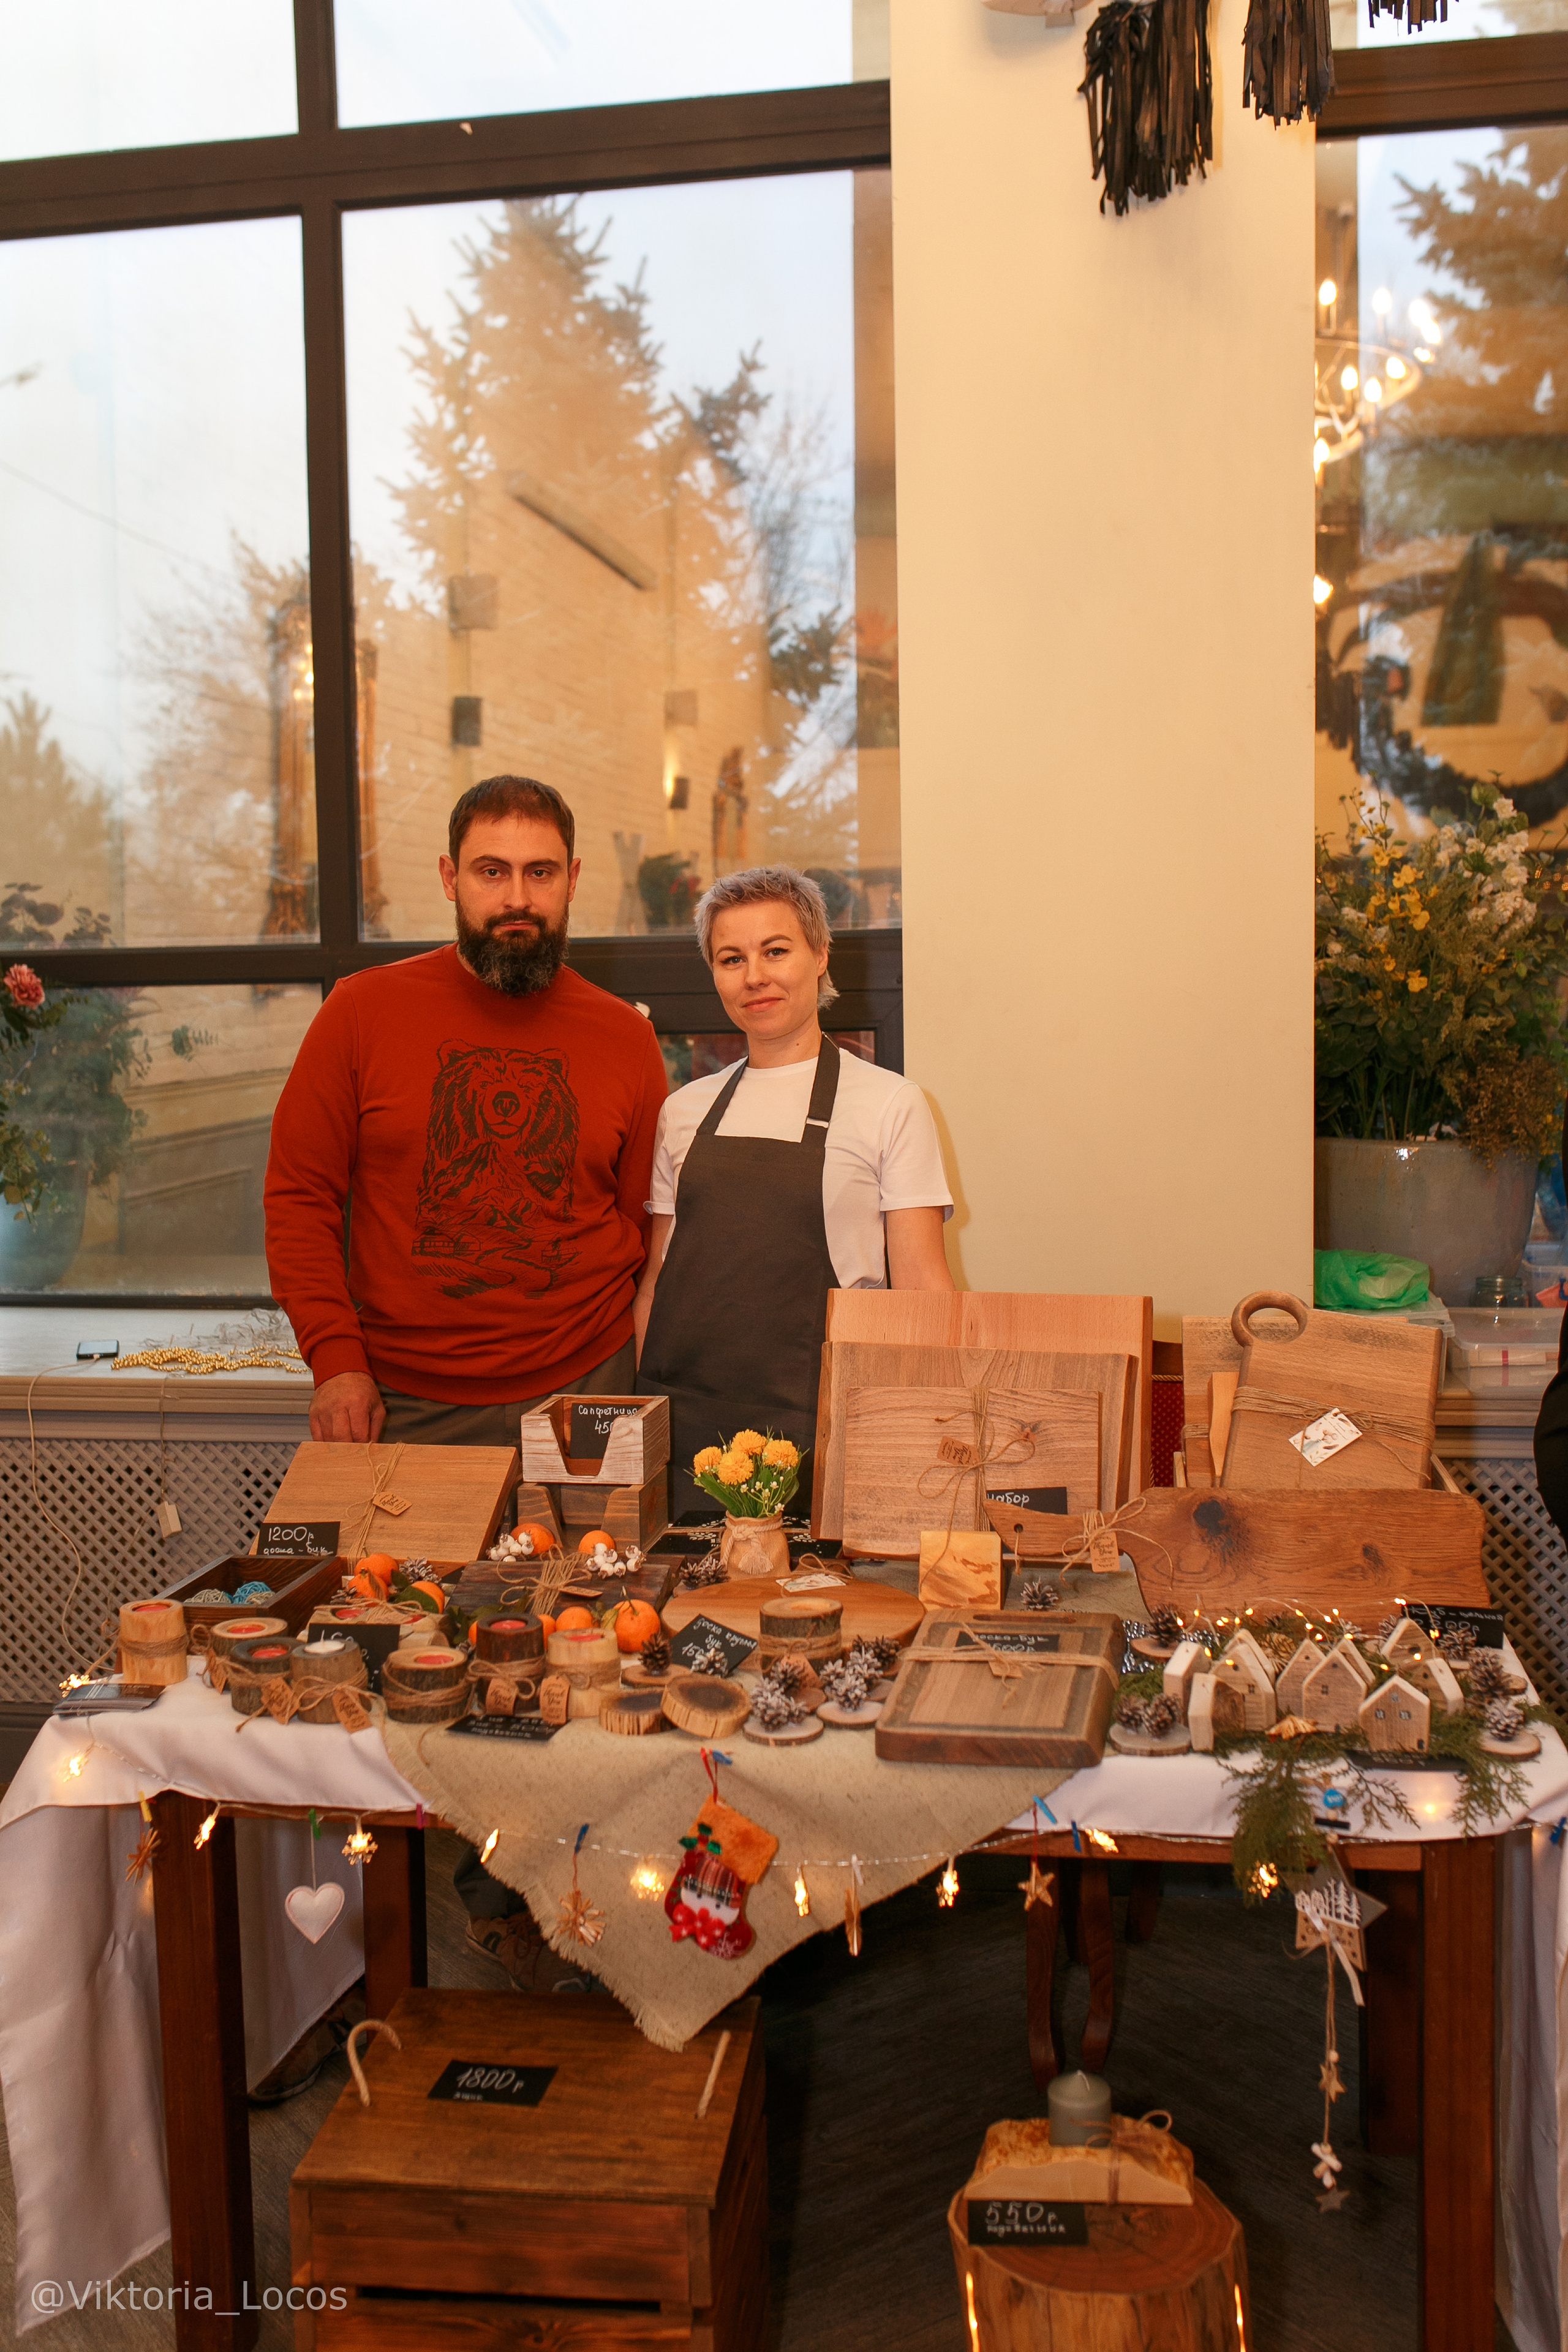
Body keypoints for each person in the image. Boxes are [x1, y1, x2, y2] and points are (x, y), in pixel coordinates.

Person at [265, 773, 667, 1988]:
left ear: (572, 883)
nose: (515, 898)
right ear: (449, 878)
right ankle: (392, 1931)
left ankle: (547, 1897)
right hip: (409, 1408)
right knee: (405, 1661)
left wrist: (626, 1378)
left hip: (580, 1398)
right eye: (492, 872)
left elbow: (642, 1226)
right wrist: (335, 1357)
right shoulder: (361, 1013)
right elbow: (299, 1196)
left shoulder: (623, 1036)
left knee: (580, 1658)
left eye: (539, 873)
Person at [633, 865, 954, 1515]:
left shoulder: (891, 1104)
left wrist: (928, 1431)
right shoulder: (684, 1111)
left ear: (820, 956)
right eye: (732, 958)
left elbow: (923, 1287)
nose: (754, 975)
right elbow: (656, 1281)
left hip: (827, 1421)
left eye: (775, 951)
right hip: (689, 1427)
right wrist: (643, 1416)